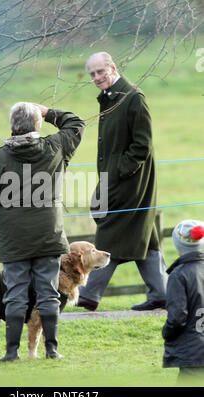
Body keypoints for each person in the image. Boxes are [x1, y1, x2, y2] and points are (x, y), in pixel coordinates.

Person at [0, 102, 85, 362]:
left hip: (13, 238)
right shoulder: (55, 147)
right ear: (37, 124)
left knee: (15, 293)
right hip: (48, 235)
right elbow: (76, 123)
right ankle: (52, 350)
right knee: (49, 292)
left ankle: (11, 352)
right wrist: (48, 112)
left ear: (12, 126)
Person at [77, 52, 168, 311]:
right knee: (145, 233)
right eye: (92, 74)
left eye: (100, 72)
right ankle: (161, 294)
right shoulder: (110, 99)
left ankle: (90, 294)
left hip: (132, 182)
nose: (96, 78)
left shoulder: (133, 99)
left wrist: (118, 172)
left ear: (113, 68)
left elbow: (143, 145)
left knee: (109, 227)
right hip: (117, 178)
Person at [162, 220, 204, 384]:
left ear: (177, 244)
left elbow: (178, 316)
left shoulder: (179, 275)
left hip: (192, 351)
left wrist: (166, 332)